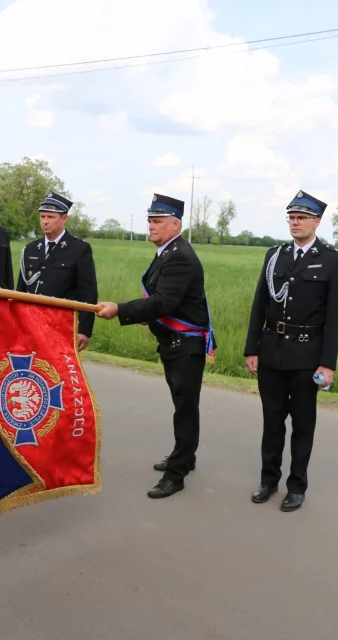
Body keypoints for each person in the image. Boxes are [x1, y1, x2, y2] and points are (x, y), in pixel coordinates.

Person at [96, 193, 215, 499]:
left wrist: (120, 310)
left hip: (185, 345)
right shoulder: (168, 251)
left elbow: (164, 301)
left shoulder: (179, 256)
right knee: (182, 406)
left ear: (175, 224)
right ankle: (184, 457)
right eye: (150, 220)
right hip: (175, 344)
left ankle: (177, 474)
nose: (151, 225)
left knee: (185, 409)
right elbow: (163, 299)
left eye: (158, 221)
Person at [243, 190, 338, 512]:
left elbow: (334, 317)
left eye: (302, 217)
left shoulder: (332, 259)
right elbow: (260, 303)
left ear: (316, 221)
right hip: (272, 351)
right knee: (272, 422)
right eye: (291, 217)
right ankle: (268, 480)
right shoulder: (274, 255)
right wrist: (252, 348)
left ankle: (296, 485)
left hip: (307, 356)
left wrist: (327, 363)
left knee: (303, 425)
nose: (295, 222)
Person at [16, 192, 98, 350]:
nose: (45, 222)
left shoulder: (79, 249)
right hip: (30, 324)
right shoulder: (30, 249)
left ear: (64, 218)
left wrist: (84, 330)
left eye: (51, 217)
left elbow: (88, 292)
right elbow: (20, 290)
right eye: (42, 217)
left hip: (61, 326)